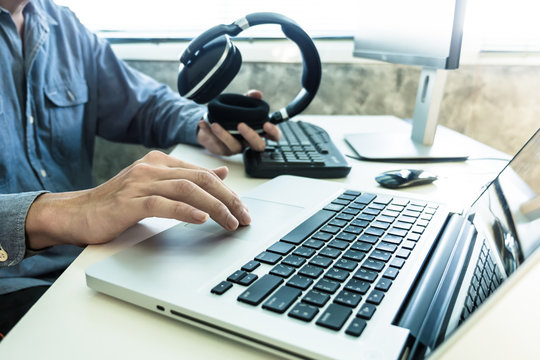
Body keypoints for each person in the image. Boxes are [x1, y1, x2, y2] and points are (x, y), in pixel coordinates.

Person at [0, 0, 282, 338]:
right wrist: (60, 214)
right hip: (13, 285)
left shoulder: (62, 25)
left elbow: (144, 105)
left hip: (91, 260)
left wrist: (206, 126)